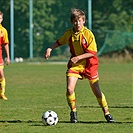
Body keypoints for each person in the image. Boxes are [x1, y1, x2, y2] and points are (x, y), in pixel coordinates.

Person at [44, 8, 114, 123]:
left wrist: (78, 57)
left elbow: (93, 52)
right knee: (69, 89)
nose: (78, 23)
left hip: (90, 64)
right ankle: (73, 113)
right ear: (72, 22)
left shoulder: (88, 34)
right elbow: (59, 42)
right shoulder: (69, 33)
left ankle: (107, 113)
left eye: (80, 21)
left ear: (84, 21)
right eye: (75, 21)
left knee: (96, 91)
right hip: (75, 64)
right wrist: (50, 48)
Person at [0, 11, 10, 100]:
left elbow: (5, 44)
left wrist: (8, 57)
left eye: (0, 18)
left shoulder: (3, 31)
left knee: (1, 74)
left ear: (2, 19)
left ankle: (2, 93)